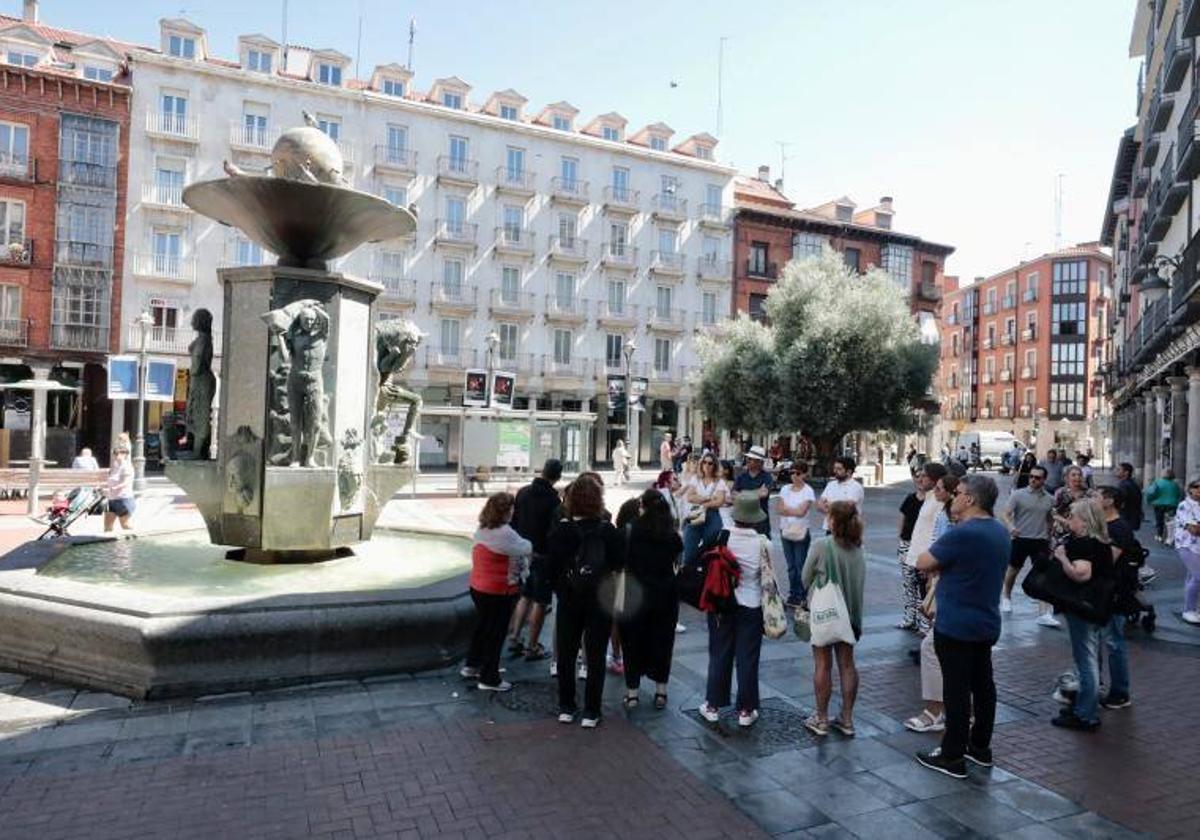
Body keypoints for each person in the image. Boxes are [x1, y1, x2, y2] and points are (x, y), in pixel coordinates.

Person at [914, 475, 1009, 779]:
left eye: (957, 493)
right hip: (986, 619)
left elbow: (923, 561)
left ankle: (953, 754)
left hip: (956, 623)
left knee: (956, 690)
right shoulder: (999, 530)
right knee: (983, 686)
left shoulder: (963, 533)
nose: (953, 497)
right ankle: (980, 746)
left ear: (970, 500)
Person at [548, 475, 624, 728]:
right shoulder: (608, 531)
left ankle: (566, 707)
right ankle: (592, 710)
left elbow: (551, 568)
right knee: (595, 655)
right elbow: (618, 564)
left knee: (567, 654)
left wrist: (562, 588)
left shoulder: (562, 530)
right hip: (599, 600)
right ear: (597, 501)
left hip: (570, 599)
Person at [698, 493, 769, 728]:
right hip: (751, 604)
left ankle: (713, 706)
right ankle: (746, 710)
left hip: (722, 603)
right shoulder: (763, 543)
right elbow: (768, 578)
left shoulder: (723, 536)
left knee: (720, 653)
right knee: (747, 658)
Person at [801, 500, 866, 737]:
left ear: (834, 520)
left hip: (826, 615)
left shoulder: (822, 545)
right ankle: (847, 719)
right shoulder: (858, 548)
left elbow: (804, 578)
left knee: (823, 664)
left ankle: (821, 719)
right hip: (851, 616)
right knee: (847, 665)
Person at [1050, 499, 1115, 732]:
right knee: (1089, 657)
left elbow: (1081, 574)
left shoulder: (1084, 544)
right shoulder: (1101, 542)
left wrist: (1062, 557)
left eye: (1074, 517)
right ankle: (1083, 706)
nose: (1070, 521)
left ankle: (1085, 714)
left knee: (1085, 660)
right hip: (1097, 606)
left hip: (1083, 606)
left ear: (1085, 521)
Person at [619, 489, 684, 710]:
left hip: (635, 594)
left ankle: (632, 693)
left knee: (632, 642)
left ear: (643, 506)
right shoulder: (671, 534)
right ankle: (660, 692)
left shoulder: (631, 530)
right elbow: (677, 556)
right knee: (663, 642)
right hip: (665, 594)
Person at [905, 474, 960, 733]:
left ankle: (939, 711)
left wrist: (932, 571)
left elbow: (936, 553)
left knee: (933, 648)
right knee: (938, 648)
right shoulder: (950, 516)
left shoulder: (960, 524)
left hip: (955, 598)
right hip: (949, 589)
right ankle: (954, 712)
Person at [463, 492, 531, 692]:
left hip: (478, 588)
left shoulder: (482, 528)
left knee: (483, 628)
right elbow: (526, 547)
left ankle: (471, 665)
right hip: (498, 591)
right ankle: (489, 677)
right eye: (511, 508)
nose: (513, 511)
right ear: (506, 511)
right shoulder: (504, 533)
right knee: (496, 633)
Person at [507, 459, 564, 662]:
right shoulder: (554, 501)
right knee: (540, 601)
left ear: (543, 471)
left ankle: (514, 637)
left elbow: (513, 522)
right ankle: (532, 646)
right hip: (542, 556)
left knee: (525, 595)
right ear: (557, 477)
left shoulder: (522, 492)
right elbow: (555, 533)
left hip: (522, 552)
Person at [1001, 465, 1058, 626]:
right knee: (1013, 570)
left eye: (1037, 477)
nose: (1033, 479)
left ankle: (1044, 612)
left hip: (1040, 540)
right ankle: (1006, 597)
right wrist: (1011, 527)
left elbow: (1050, 518)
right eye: (1031, 476)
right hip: (1021, 538)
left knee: (1042, 575)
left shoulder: (1049, 499)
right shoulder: (1018, 495)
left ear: (1044, 480)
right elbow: (1005, 513)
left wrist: (1051, 533)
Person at [1094, 486, 1135, 708]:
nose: (1093, 500)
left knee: (1113, 642)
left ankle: (1120, 692)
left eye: (1097, 497)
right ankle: (1097, 685)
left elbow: (1109, 559)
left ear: (1109, 501)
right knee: (1102, 640)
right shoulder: (1105, 526)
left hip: (1115, 593)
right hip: (1104, 592)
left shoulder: (1119, 528)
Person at [778, 461, 815, 607]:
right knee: (791, 566)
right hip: (785, 530)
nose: (794, 476)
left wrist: (789, 509)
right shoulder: (785, 489)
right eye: (791, 472)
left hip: (801, 531)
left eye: (797, 473)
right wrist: (794, 510)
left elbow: (802, 512)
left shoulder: (808, 491)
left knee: (801, 565)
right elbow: (780, 509)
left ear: (804, 474)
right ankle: (793, 594)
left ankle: (802, 594)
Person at [682, 455, 728, 565]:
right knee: (689, 543)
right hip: (696, 513)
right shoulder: (695, 479)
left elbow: (720, 501)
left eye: (710, 463)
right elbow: (690, 497)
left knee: (711, 540)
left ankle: (701, 563)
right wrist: (707, 498)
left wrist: (704, 504)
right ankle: (689, 567)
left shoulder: (719, 482)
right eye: (704, 462)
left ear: (714, 466)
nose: (706, 465)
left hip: (712, 514)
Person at [1172, 478, 1200, 625]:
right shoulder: (1185, 505)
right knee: (1198, 576)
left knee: (1193, 578)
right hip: (1187, 545)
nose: (1199, 490)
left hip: (1198, 547)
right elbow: (1194, 530)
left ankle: (1191, 609)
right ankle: (1189, 610)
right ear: (1190, 489)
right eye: (1197, 487)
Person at [733, 445, 773, 538]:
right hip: (742, 520)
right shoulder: (741, 476)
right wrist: (756, 492)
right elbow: (733, 495)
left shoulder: (766, 477)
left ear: (759, 462)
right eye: (748, 458)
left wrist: (742, 494)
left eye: (751, 459)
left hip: (761, 521)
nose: (748, 460)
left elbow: (763, 493)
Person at [817, 456, 864, 532]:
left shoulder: (855, 487)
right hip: (830, 529)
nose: (835, 471)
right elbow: (819, 505)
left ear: (848, 471)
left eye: (839, 469)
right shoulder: (831, 485)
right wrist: (836, 507)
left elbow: (847, 508)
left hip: (847, 531)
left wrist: (829, 505)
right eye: (834, 468)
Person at [1145, 467, 1183, 543]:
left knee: (1159, 520)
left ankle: (1159, 535)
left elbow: (1151, 492)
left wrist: (1149, 501)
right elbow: (1179, 495)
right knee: (1170, 521)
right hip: (1172, 504)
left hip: (1159, 504)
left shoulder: (1158, 482)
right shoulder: (1175, 484)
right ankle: (1170, 537)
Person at [104, 441, 135, 532]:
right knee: (107, 526)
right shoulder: (114, 466)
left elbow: (127, 482)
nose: (118, 455)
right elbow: (110, 480)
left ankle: (133, 540)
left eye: (121, 453)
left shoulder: (127, 466)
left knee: (125, 525)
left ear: (126, 454)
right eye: (115, 453)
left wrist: (115, 488)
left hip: (123, 499)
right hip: (112, 499)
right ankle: (108, 545)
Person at [1115, 463, 1144, 532]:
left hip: (1126, 517)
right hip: (1132, 517)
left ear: (1126, 473)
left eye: (1119, 470)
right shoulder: (1132, 483)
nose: (1116, 471)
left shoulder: (1124, 485)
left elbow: (1121, 501)